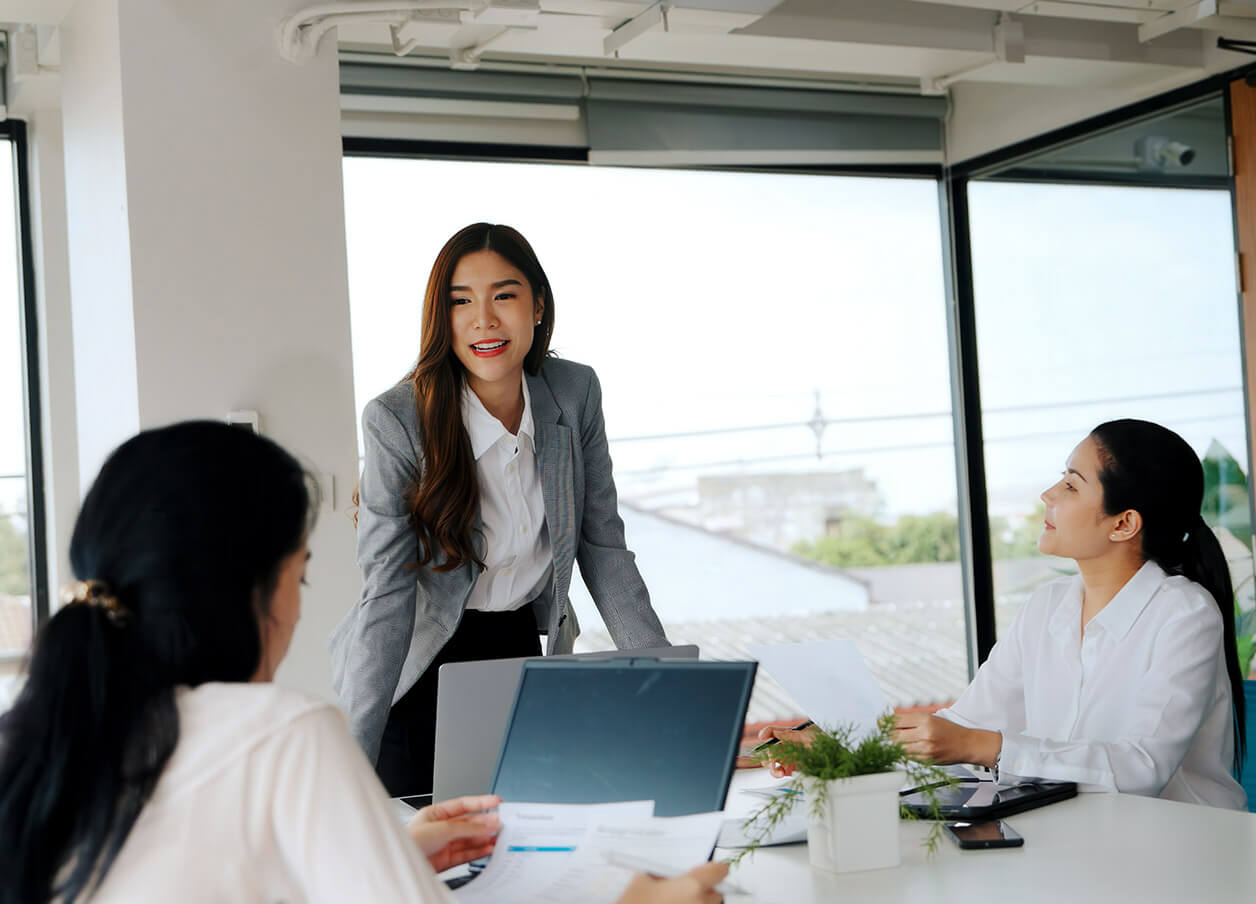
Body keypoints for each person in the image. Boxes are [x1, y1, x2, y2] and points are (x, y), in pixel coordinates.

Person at [0, 422, 724, 904]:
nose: (300, 609)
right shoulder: (280, 730)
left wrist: (389, 850)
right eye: (302, 574)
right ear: (245, 588)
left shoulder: (35, 741)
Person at [330, 223, 670, 796]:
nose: (483, 319)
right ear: (442, 317)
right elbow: (385, 595)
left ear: (538, 305)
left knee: (527, 857)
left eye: (503, 296)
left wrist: (672, 686)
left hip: (516, 654)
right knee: (423, 872)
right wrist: (348, 769)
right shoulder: (397, 420)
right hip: (416, 667)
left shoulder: (574, 393)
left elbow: (604, 550)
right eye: (460, 301)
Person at [758, 420, 1248, 810]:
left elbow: (1143, 769)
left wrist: (982, 746)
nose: (1048, 495)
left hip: (1186, 852)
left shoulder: (1184, 615)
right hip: (1085, 843)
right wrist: (841, 745)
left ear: (1123, 523)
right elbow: (963, 726)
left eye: (1071, 486)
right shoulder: (1047, 608)